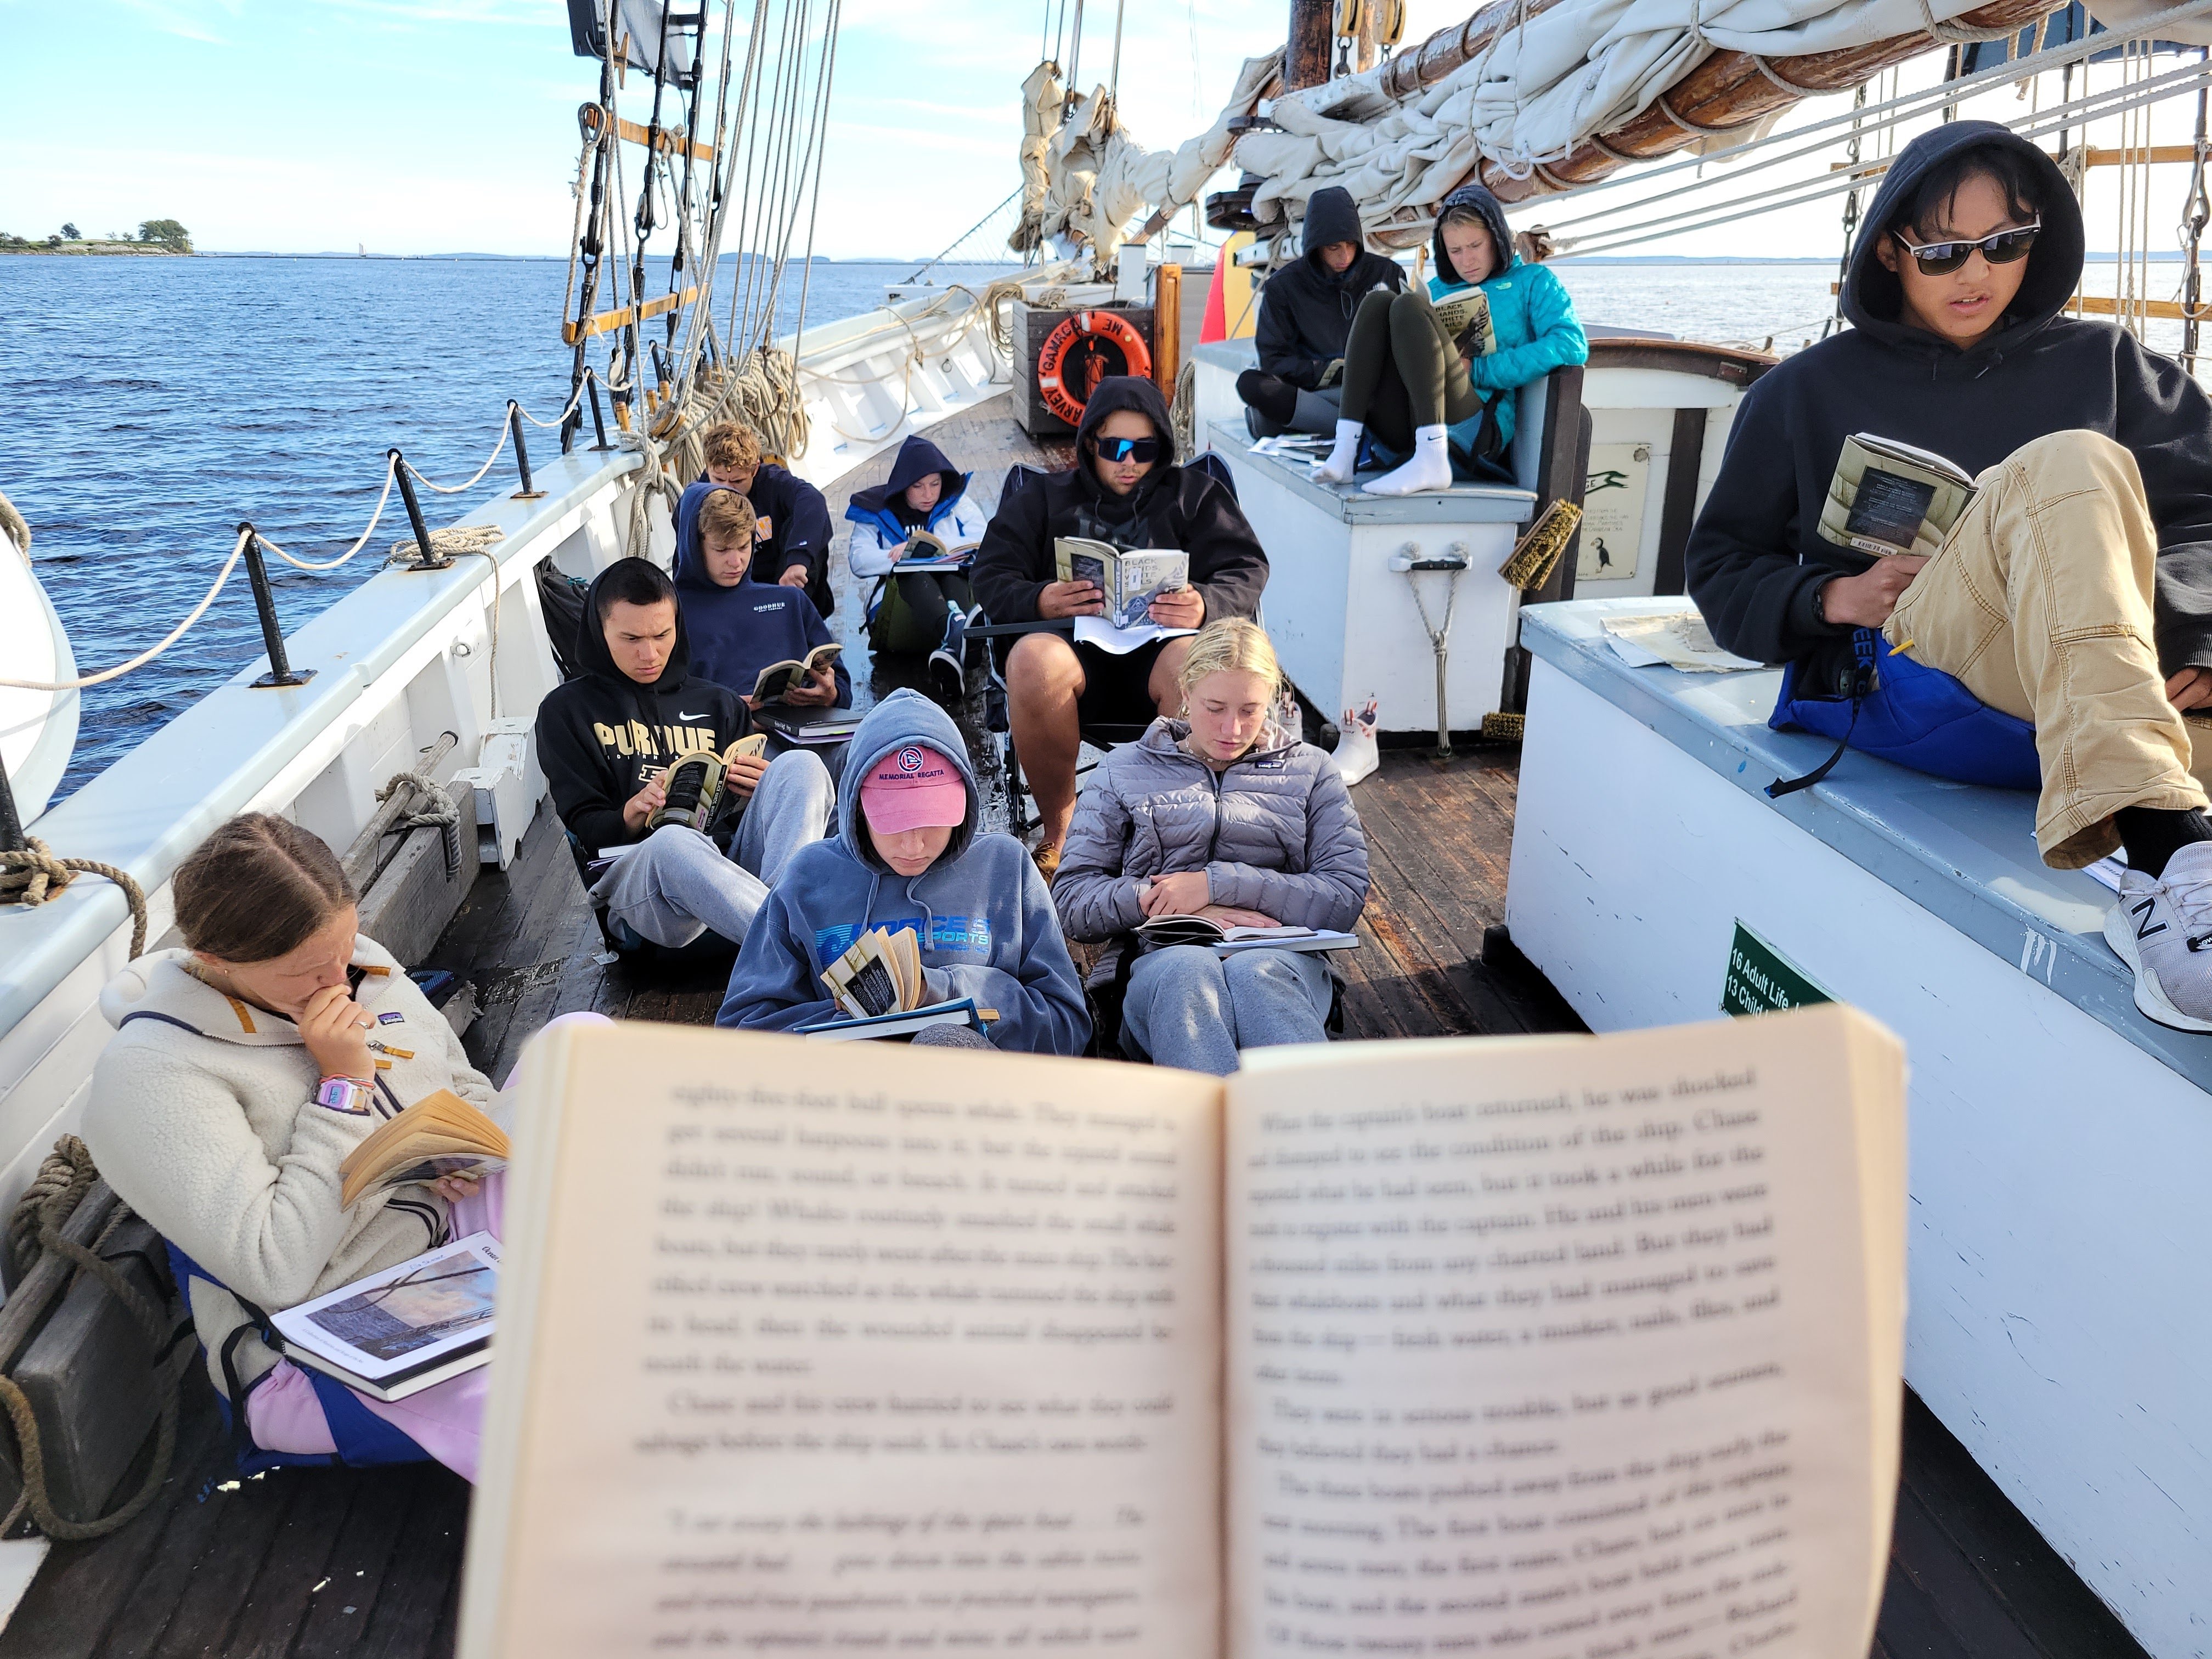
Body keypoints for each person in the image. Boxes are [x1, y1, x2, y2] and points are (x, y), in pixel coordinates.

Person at [1683, 121, 2212, 1034]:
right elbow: (1720, 568)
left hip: (2091, 682)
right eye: (1942, 251)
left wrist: (2197, 635)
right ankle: (2167, 853)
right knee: (2073, 462)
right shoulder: (1801, 391)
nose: (1976, 273)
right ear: (1890, 248)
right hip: (1921, 667)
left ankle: (2161, 853)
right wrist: (1829, 596)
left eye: (2003, 245)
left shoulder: (2109, 362)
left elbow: (2200, 518)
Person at [83, 815, 518, 1478]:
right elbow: (275, 1269)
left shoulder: (352, 965)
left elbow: (461, 1081)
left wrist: (464, 1146)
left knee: (581, 1039)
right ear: (214, 963)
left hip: (450, 1239)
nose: (339, 982)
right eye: (311, 973)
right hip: (328, 1337)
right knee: (547, 1400)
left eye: (345, 950)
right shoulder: (153, 1076)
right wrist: (344, 1086)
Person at [972, 375, 1270, 876]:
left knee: (1194, 663)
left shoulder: (1196, 496)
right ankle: (1061, 832)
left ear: (1163, 448)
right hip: (1073, 660)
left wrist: (1205, 604)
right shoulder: (1044, 497)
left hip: (1162, 656)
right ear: (1091, 442)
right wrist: (1041, 599)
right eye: (1114, 446)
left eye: (1145, 448)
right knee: (1031, 660)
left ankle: (1169, 834)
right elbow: (990, 574)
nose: (1128, 461)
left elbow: (1247, 570)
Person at [1053, 619, 1369, 1075]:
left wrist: (1212, 885)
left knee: (1258, 976)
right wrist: (1168, 904)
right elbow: (1074, 900)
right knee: (1187, 973)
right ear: (1186, 689)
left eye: (1250, 710)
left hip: (1281, 963)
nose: (1232, 728)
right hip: (1158, 965)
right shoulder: (1121, 770)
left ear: (1273, 701)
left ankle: (1301, 1134)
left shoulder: (1313, 771)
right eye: (1215, 707)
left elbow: (1343, 894)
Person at [717, 689, 1091, 1056]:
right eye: (892, 822)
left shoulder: (1006, 868)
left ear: (964, 799)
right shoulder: (808, 877)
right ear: (857, 807)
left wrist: (945, 990)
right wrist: (851, 1024)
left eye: (933, 820)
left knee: (940, 1045)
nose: (913, 846)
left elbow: (1068, 1028)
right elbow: (740, 1028)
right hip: (847, 1096)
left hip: (975, 1098)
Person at [535, 556, 836, 956]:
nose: (650, 654)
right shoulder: (565, 711)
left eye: (662, 634)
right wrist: (632, 813)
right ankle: (803, 947)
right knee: (673, 840)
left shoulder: (720, 702)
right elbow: (585, 830)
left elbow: (756, 822)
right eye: (631, 639)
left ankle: (782, 942)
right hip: (647, 896)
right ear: (599, 631)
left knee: (801, 767)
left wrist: (756, 794)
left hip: (734, 884)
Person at [1315, 181, 1587, 497]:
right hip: (1412, 423)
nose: (1466, 260)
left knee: (1408, 305)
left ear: (1497, 240)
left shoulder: (1533, 282)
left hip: (1476, 426)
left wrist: (1481, 369)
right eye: (1455, 251)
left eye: (1475, 246)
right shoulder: (1437, 291)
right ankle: (1346, 450)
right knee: (1379, 302)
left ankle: (1432, 459)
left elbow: (1572, 345)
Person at [1240, 185, 1406, 439]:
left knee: (1268, 420)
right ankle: (1362, 431)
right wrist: (1322, 371)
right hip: (1315, 391)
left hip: (1374, 390)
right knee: (1251, 384)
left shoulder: (1388, 273)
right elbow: (1274, 360)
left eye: (1351, 245)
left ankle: (1314, 424)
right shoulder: (1282, 288)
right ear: (1316, 246)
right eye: (1334, 248)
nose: (1345, 255)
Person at [673, 481, 852, 712]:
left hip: (809, 731)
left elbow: (843, 692)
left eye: (744, 546)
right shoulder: (670, 616)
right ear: (694, 546)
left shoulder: (792, 602)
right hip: (730, 740)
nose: (736, 562)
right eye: (722, 550)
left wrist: (831, 695)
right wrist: (730, 715)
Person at [845, 433, 989, 701]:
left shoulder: (957, 503)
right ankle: (960, 632)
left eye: (935, 484)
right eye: (918, 487)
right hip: (897, 617)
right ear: (903, 487)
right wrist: (899, 556)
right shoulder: (876, 510)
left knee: (951, 569)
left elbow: (984, 539)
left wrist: (934, 546)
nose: (929, 494)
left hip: (949, 598)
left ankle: (951, 647)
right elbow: (858, 560)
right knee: (912, 571)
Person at [700, 421, 836, 619]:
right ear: (708, 469)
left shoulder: (774, 483)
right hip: (731, 590)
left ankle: (800, 622)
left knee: (805, 522)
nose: (727, 488)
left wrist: (798, 561)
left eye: (737, 481)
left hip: (779, 580)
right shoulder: (698, 496)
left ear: (755, 469)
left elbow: (812, 501)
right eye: (719, 480)